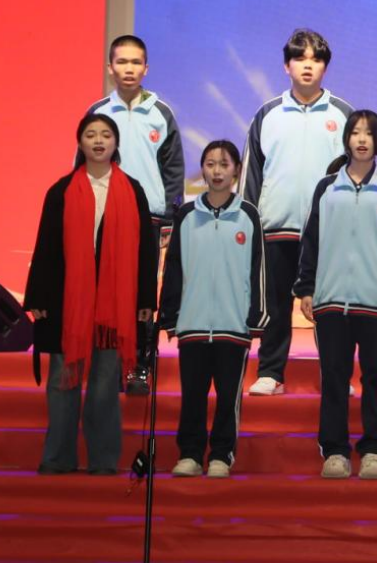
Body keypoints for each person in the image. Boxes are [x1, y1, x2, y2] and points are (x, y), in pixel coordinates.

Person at [24, 114, 159, 476]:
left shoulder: (132, 191)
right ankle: (58, 458)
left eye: (105, 135)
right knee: (62, 379)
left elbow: (146, 251)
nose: (98, 141)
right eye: (90, 135)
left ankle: (102, 461)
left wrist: (146, 299)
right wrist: (37, 298)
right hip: (68, 302)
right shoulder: (62, 191)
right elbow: (46, 247)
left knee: (104, 384)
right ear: (80, 143)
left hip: (115, 304)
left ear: (116, 143)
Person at [295, 111, 377, 481]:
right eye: (355, 132)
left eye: (369, 133)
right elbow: (310, 241)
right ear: (347, 139)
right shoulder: (326, 189)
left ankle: (374, 452)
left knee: (376, 377)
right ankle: (335, 451)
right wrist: (306, 288)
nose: (362, 139)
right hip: (331, 301)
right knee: (334, 378)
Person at [242, 29, 355, 397]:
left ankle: (335, 375)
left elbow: (358, 172)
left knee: (330, 308)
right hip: (276, 227)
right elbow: (251, 176)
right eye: (300, 58)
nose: (308, 66)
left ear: (325, 67)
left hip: (328, 232)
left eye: (316, 59)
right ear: (286, 66)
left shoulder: (343, 115)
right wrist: (248, 226)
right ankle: (271, 373)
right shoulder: (268, 114)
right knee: (275, 305)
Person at [81, 34, 184, 396]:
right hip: (105, 217)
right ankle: (107, 363)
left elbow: (173, 170)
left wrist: (171, 217)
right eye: (122, 62)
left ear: (146, 68)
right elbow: (81, 166)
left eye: (135, 62)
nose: (129, 69)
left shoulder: (161, 113)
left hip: (149, 219)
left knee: (142, 294)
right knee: (106, 293)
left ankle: (140, 364)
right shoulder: (98, 113)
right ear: (110, 68)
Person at [159, 140, 265, 479]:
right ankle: (190, 454)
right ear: (202, 169)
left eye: (224, 164)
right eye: (210, 164)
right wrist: (170, 315)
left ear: (236, 170)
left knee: (228, 396)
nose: (217, 171)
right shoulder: (187, 215)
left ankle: (221, 454)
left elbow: (259, 270)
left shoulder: (248, 215)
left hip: (234, 326)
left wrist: (255, 316)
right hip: (193, 323)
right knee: (192, 394)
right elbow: (174, 268)